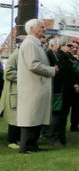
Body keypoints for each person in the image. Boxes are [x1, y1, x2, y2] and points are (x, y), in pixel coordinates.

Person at [17, 19, 57, 153]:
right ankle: (26, 146)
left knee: (36, 116)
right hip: (32, 87)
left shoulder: (35, 44)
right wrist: (52, 70)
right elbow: (33, 65)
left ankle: (32, 145)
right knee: (30, 117)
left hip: (37, 86)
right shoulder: (29, 44)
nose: (44, 29)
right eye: (42, 27)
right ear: (32, 29)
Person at [48, 37, 75, 148]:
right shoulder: (57, 57)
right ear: (62, 46)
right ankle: (54, 138)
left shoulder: (68, 57)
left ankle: (62, 138)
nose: (71, 48)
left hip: (67, 90)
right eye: (69, 46)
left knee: (64, 116)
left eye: (72, 46)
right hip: (59, 90)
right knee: (57, 116)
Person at [2, 39, 21, 149]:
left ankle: (17, 138)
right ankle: (12, 140)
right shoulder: (15, 55)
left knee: (19, 117)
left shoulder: (21, 55)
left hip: (20, 91)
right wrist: (23, 76)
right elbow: (8, 73)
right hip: (14, 91)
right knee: (14, 117)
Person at [66, 40, 79, 132]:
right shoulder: (67, 58)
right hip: (70, 85)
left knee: (77, 107)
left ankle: (75, 125)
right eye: (73, 47)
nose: (75, 49)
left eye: (77, 47)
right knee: (67, 106)